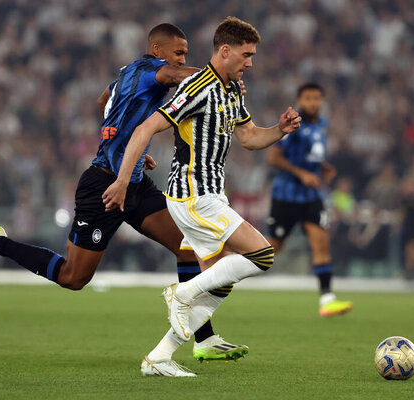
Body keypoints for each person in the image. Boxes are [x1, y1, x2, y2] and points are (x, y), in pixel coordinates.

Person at [0, 23, 247, 376]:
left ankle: (203, 339)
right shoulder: (154, 70)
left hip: (133, 183)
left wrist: (125, 146)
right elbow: (174, 75)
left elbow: (102, 101)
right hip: (102, 187)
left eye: (185, 53)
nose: (183, 58)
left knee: (189, 246)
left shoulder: (127, 74)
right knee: (73, 277)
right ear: (156, 49)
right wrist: (217, 74)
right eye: (179, 52)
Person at [102, 16, 301, 376]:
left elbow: (250, 137)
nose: (250, 62)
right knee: (261, 254)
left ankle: (159, 357)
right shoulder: (198, 87)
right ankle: (181, 293)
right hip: (192, 195)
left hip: (211, 195)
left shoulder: (230, 90)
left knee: (222, 283)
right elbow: (147, 127)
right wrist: (120, 179)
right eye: (246, 54)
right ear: (225, 50)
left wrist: (280, 130)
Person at [265, 82, 352, 316]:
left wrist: (321, 167)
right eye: (308, 98)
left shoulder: (321, 124)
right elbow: (274, 158)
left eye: (317, 98)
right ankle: (222, 272)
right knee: (272, 248)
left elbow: (307, 155)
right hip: (286, 195)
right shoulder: (293, 123)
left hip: (312, 196)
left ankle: (327, 299)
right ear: (299, 100)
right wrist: (302, 173)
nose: (313, 102)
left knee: (321, 243)